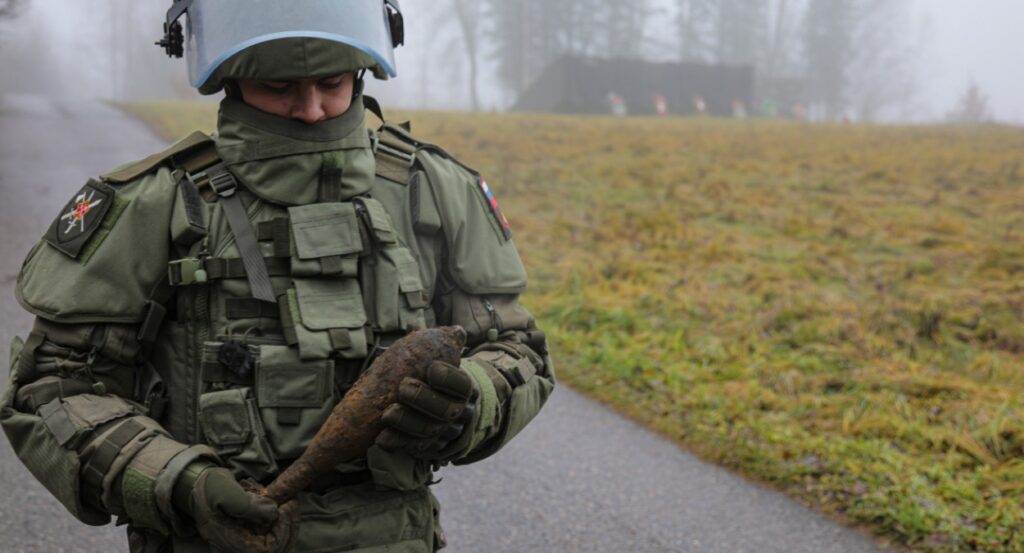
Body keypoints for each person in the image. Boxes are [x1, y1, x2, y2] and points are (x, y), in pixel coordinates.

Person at [0, 1, 555, 552]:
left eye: (332, 82)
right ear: (232, 80)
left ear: (362, 70)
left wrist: (470, 406)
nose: (311, 110)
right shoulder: (156, 204)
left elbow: (517, 350)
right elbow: (54, 386)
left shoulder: (432, 190)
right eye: (278, 85)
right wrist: (179, 482)